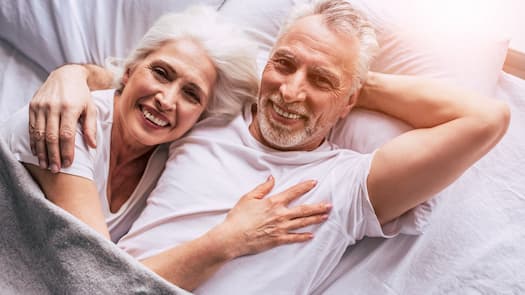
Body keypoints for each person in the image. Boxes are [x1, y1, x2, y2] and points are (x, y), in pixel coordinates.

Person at [28, 0, 510, 293]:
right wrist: (71, 74)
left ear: (348, 102)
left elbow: (487, 118)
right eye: (284, 64)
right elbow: (144, 83)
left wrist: (356, 83)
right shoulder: (211, 116)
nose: (290, 91)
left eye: (319, 80)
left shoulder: (346, 183)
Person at [0, 5, 333, 292]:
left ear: (201, 116)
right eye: (160, 73)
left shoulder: (168, 155)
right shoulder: (68, 121)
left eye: (191, 95)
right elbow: (98, 277)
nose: (167, 99)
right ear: (129, 71)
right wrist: (229, 240)